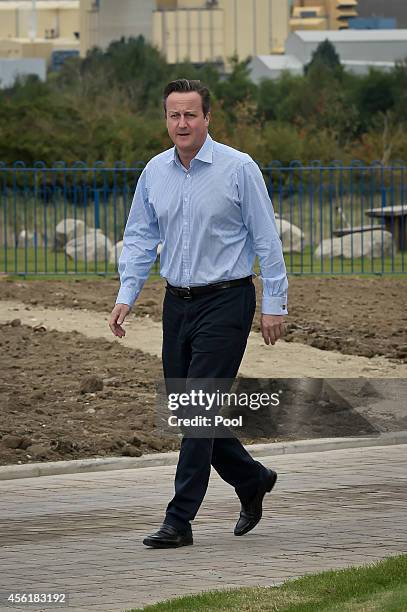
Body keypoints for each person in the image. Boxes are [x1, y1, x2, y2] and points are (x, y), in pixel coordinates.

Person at [109, 78, 288, 549]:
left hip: (228, 300)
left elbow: (267, 238)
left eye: (191, 114)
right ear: (166, 119)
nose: (182, 123)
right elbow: (142, 236)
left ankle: (179, 519)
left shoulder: (238, 168)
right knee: (188, 411)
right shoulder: (154, 171)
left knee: (197, 410)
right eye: (174, 115)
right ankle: (251, 478)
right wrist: (127, 293)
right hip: (177, 302)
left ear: (207, 117)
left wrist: (274, 303)